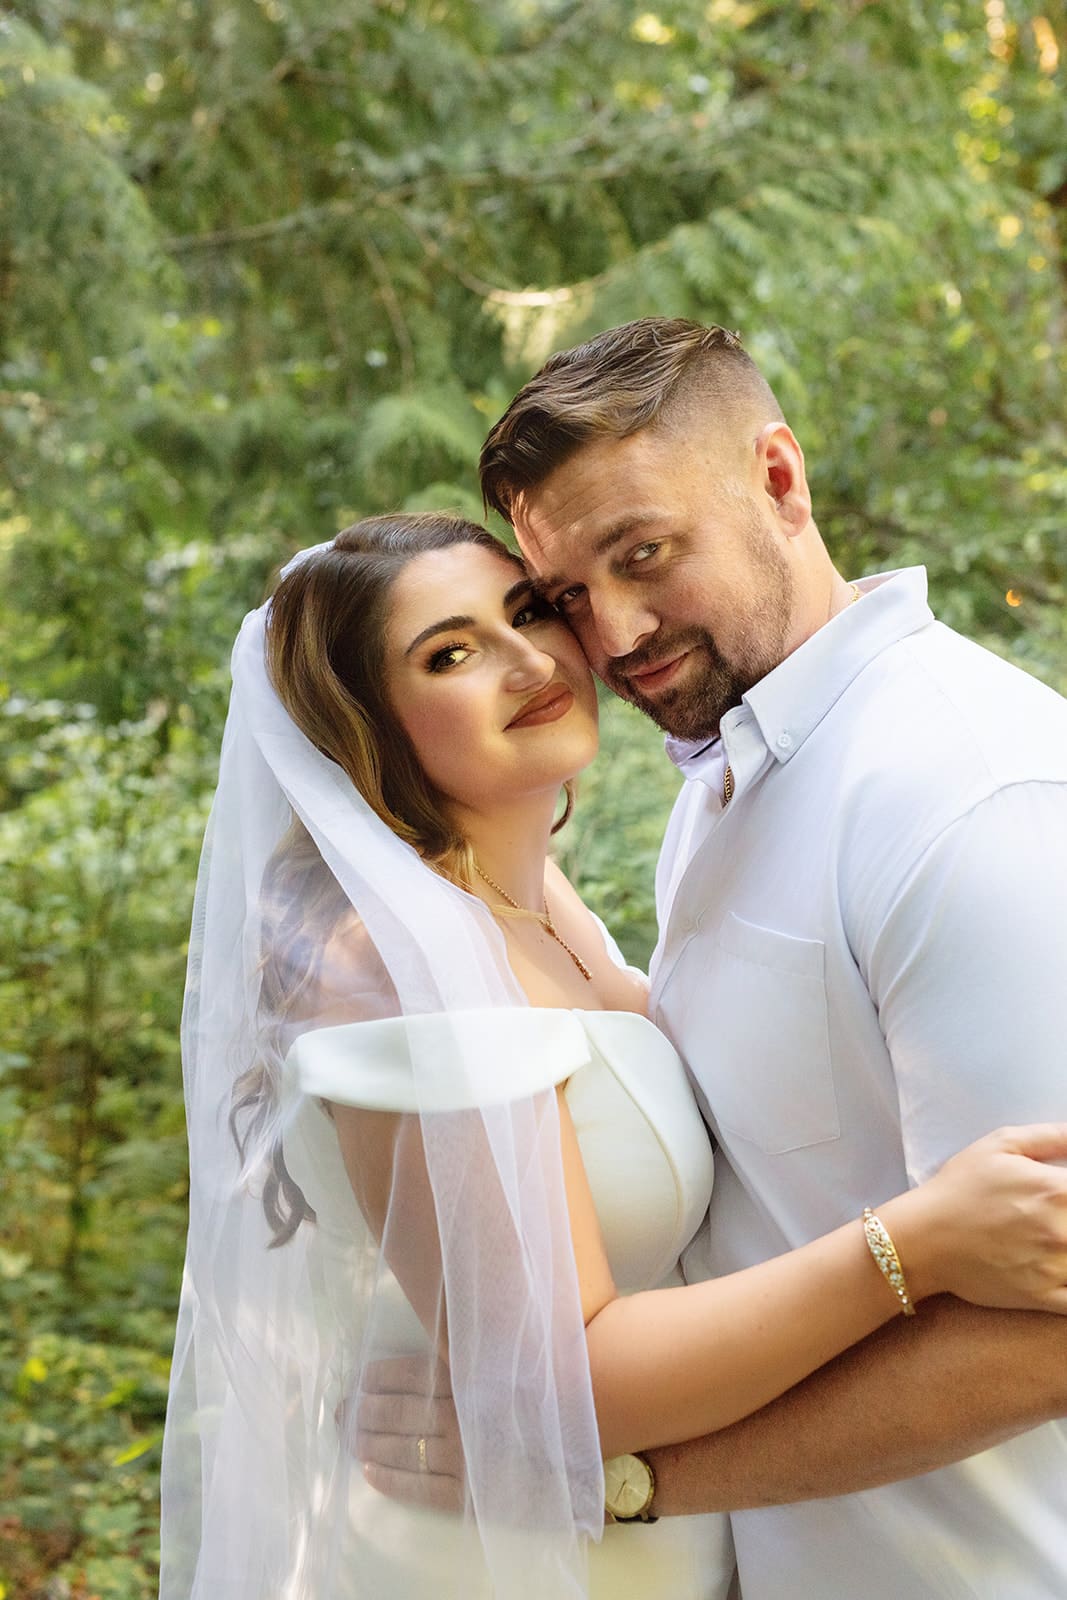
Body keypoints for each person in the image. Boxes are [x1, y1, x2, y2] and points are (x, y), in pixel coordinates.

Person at [156, 508, 1067, 1600]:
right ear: (369, 724)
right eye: (449, 652)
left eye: (529, 611)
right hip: (477, 1563)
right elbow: (554, 1379)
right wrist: (911, 1243)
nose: (528, 657)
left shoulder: (538, 901)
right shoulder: (383, 964)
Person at [467, 318, 1067, 1597]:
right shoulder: (734, 778)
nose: (615, 633)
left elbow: (1052, 1335)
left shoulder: (969, 791)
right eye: (570, 596)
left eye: (643, 555)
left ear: (778, 481)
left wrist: (641, 1479)